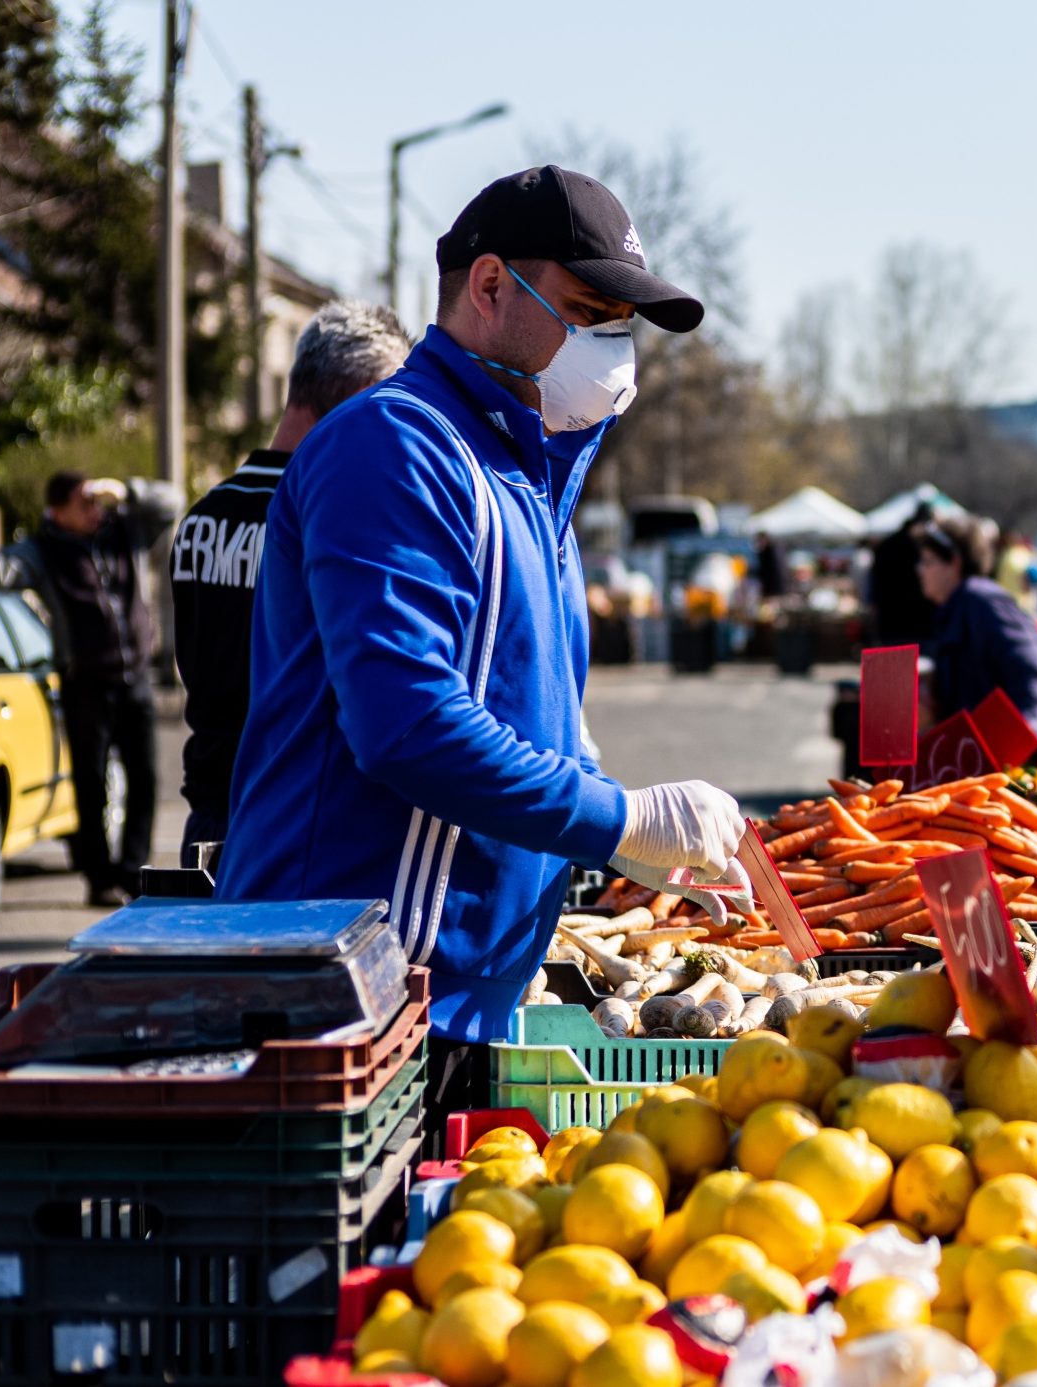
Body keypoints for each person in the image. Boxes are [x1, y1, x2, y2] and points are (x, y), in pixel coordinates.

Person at [216, 166, 749, 1083]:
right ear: (491, 285)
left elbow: (532, 717)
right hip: (353, 1003)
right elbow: (410, 728)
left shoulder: (531, 478)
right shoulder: (395, 446)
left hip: (451, 999)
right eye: (591, 311)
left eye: (624, 325)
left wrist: (622, 831)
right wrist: (621, 819)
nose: (615, 347)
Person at [171, 301, 412, 862]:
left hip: (209, 811)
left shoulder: (204, 515)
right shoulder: (329, 519)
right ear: (360, 395)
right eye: (385, 403)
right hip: (290, 820)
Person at [0, 471, 182, 903]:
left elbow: (170, 503)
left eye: (96, 502)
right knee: (90, 782)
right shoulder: (44, 551)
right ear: (57, 511)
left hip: (134, 677)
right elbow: (2, 567)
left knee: (145, 779)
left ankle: (134, 871)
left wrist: (127, 491)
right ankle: (99, 878)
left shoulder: (124, 531)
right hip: (86, 683)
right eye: (85, 504)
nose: (95, 510)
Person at [917, 514, 1037, 775]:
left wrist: (1027, 738)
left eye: (928, 562)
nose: (920, 570)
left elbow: (1034, 673)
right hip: (1007, 767)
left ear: (955, 563)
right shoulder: (958, 608)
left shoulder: (982, 601)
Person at [868, 501, 936, 647]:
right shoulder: (925, 547)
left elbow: (874, 588)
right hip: (917, 625)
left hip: (892, 624)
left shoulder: (886, 546)